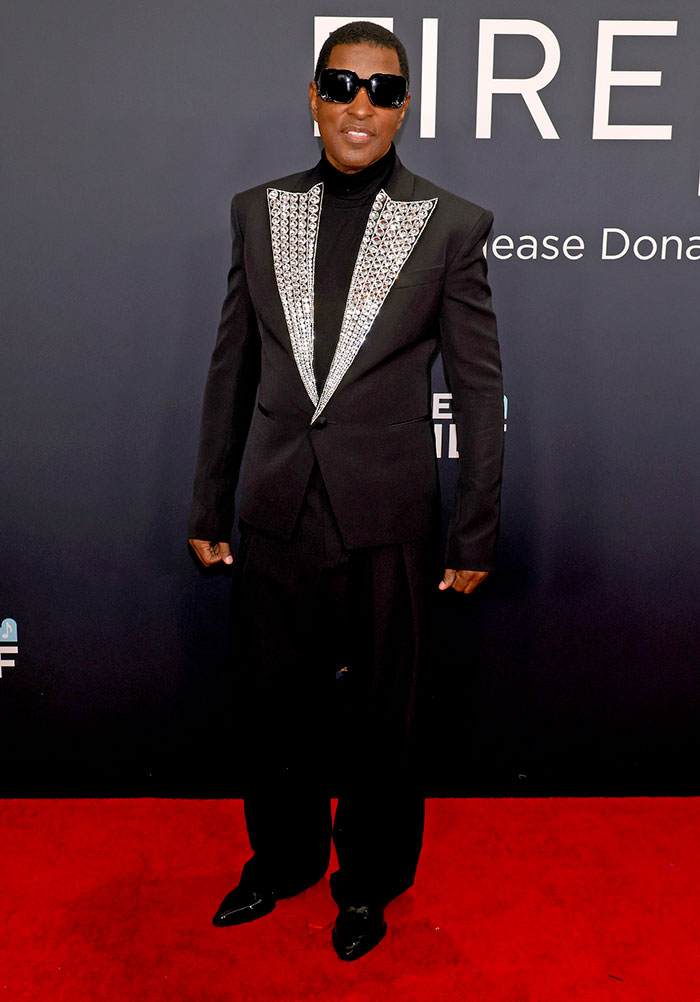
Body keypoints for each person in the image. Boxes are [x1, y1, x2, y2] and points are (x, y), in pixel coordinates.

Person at [188, 20, 504, 961]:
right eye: (343, 84)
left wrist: (475, 533)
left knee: (384, 720)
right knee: (270, 706)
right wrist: (210, 503)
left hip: (390, 519)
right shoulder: (256, 210)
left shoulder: (452, 224)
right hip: (275, 508)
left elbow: (482, 394)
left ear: (405, 106)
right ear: (315, 96)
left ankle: (366, 880)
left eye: (384, 89)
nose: (362, 104)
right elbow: (231, 368)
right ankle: (281, 861)